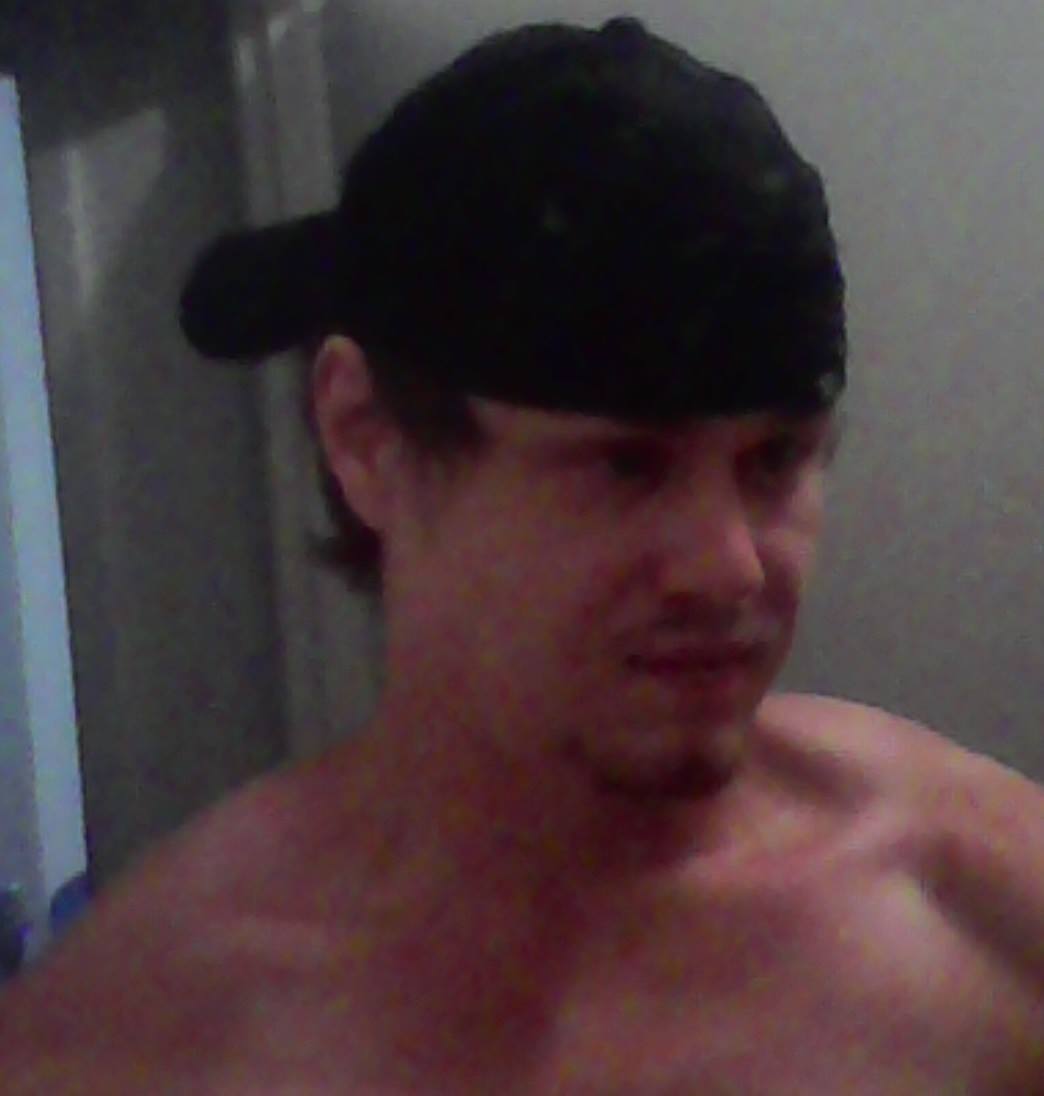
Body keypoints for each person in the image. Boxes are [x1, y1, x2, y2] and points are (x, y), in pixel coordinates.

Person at [1, 16, 1041, 1093]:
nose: (730, 567)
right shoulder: (139, 1039)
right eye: (626, 467)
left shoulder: (978, 916)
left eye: (775, 461)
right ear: (366, 438)